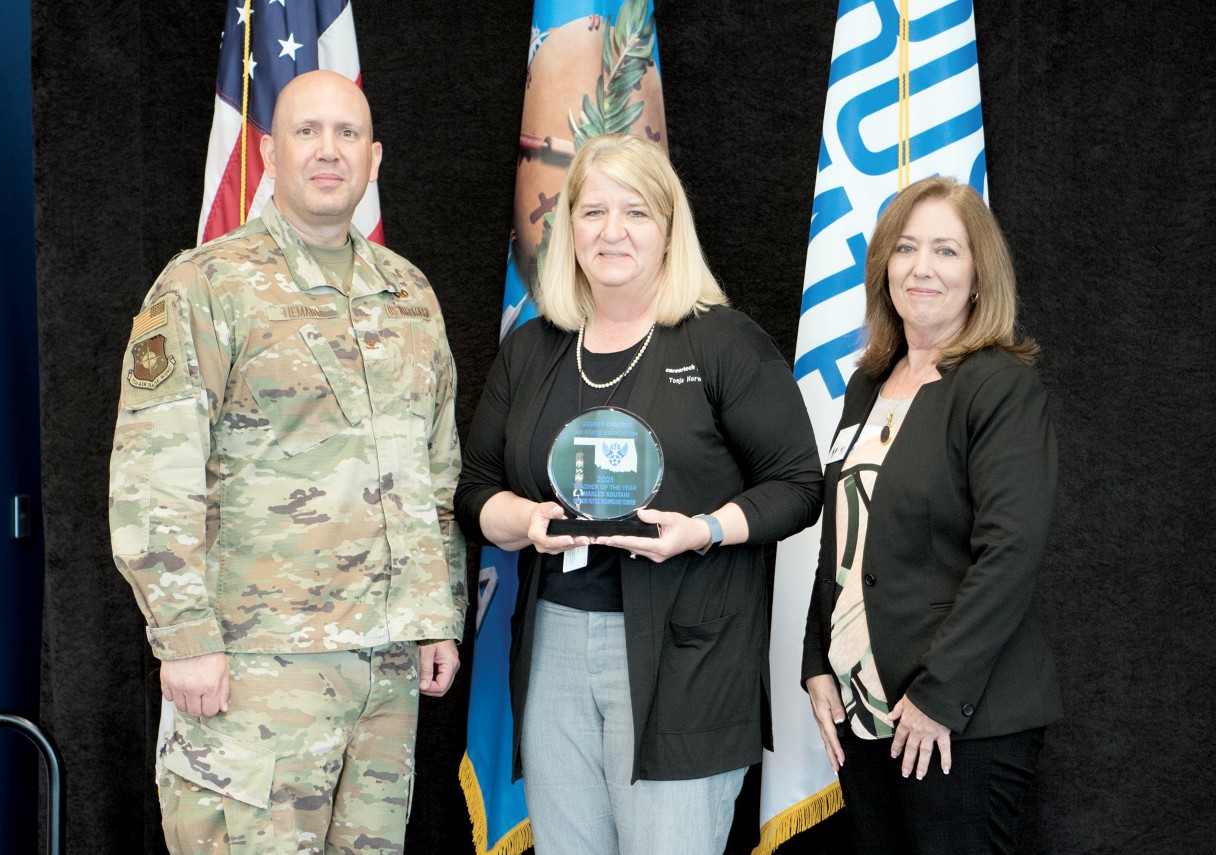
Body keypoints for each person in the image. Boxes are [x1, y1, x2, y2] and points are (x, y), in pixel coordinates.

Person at [109, 70, 466, 854]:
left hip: (386, 667)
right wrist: (185, 635)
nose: (328, 151)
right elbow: (153, 473)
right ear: (270, 151)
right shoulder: (206, 284)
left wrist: (438, 614)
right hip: (254, 665)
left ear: (375, 158)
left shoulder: (409, 294)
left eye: (347, 135)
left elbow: (434, 471)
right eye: (308, 132)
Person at [455, 133, 823, 855]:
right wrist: (527, 519)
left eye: (635, 212)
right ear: (569, 229)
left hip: (686, 656)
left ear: (668, 228)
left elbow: (799, 485)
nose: (612, 231)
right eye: (593, 212)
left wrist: (703, 529)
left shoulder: (723, 343)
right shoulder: (532, 350)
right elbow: (473, 493)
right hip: (554, 641)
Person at [801, 176, 1061, 854]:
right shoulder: (867, 384)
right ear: (884, 264)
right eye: (907, 248)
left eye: (946, 251)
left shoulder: (999, 386)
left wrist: (939, 693)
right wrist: (816, 661)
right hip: (866, 713)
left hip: (960, 720)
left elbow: (1010, 551)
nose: (922, 267)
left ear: (979, 274)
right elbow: (844, 537)